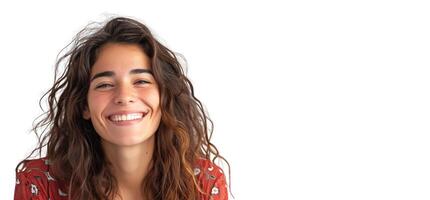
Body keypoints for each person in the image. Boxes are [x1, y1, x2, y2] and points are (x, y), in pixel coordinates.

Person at [14, 16, 230, 200]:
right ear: (84, 106)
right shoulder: (40, 183)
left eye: (141, 81)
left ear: (165, 97)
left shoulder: (203, 182)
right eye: (105, 85)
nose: (124, 97)